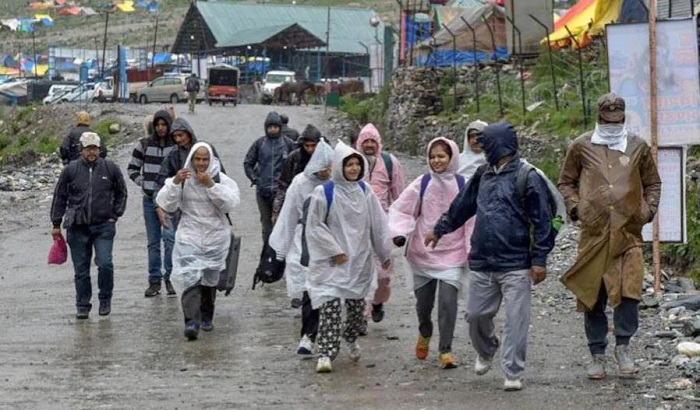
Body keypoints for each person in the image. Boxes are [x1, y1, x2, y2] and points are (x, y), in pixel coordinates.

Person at [425, 121, 556, 391]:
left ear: (499, 145)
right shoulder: (483, 174)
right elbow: (462, 206)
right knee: (475, 316)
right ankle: (487, 349)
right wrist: (439, 229)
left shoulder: (527, 177)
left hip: (517, 263)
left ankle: (513, 371)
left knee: (517, 320)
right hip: (483, 260)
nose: (482, 150)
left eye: (486, 145)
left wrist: (539, 259)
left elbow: (543, 221)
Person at [558, 93, 661, 379]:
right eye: (608, 120)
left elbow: (652, 182)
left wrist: (648, 210)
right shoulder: (581, 146)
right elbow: (566, 181)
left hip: (629, 234)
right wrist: (576, 206)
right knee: (593, 293)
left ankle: (624, 347)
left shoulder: (639, 147)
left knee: (630, 291)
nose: (613, 125)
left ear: (624, 117)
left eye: (618, 120)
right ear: (599, 117)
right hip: (593, 234)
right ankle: (597, 353)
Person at [305, 141, 391, 373]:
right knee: (330, 308)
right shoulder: (324, 192)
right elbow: (314, 226)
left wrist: (384, 253)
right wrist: (335, 250)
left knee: (355, 309)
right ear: (338, 167)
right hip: (332, 262)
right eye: (348, 164)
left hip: (359, 261)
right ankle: (326, 352)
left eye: (356, 164)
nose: (353, 168)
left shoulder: (365, 191)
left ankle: (351, 337)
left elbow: (378, 225)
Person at [388, 137, 471, 369]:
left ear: (452, 157)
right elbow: (401, 209)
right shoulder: (422, 183)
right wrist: (399, 233)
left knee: (447, 302)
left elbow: (471, 220)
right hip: (423, 253)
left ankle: (446, 350)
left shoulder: (464, 185)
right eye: (432, 156)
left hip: (453, 254)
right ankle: (425, 332)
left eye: (441, 156)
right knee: (423, 306)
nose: (436, 160)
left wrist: (471, 248)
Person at [156, 142, 240, 341]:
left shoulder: (222, 180)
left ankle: (207, 314)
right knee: (189, 276)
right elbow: (166, 202)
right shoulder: (183, 179)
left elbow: (231, 203)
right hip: (189, 233)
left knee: (210, 277)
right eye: (197, 159)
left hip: (216, 236)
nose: (201, 163)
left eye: (205, 159)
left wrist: (211, 185)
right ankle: (191, 321)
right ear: (191, 159)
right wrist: (175, 182)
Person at [50, 132, 128, 319]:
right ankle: (82, 305)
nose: (92, 152)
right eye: (88, 148)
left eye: (95, 148)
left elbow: (122, 193)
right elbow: (59, 196)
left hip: (104, 226)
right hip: (77, 226)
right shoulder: (71, 170)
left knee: (105, 263)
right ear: (81, 150)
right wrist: (56, 223)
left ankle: (105, 299)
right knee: (81, 270)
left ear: (99, 149)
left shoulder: (110, 168)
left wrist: (115, 214)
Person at [268, 140, 334, 357]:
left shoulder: (341, 183)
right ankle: (308, 336)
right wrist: (279, 248)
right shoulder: (300, 183)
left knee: (331, 294)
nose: (326, 171)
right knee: (310, 289)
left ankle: (335, 337)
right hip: (306, 243)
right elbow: (289, 216)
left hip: (335, 247)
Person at [355, 123, 405, 328]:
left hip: (384, 226)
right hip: (358, 227)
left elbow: (400, 198)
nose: (368, 145)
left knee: (384, 275)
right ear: (359, 143)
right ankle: (361, 317)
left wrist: (400, 227)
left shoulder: (390, 162)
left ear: (378, 143)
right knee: (361, 272)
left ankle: (377, 302)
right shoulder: (352, 162)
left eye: (372, 141)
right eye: (365, 141)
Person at [127, 110, 178, 297]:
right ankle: (154, 280)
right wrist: (144, 183)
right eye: (158, 125)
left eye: (164, 124)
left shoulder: (175, 147)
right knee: (153, 243)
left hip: (170, 202)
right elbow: (132, 168)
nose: (161, 128)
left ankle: (171, 278)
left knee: (170, 239)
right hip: (149, 200)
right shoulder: (144, 145)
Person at [154, 117, 226, 231]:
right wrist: (159, 206)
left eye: (181, 135)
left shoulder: (205, 149)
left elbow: (221, 178)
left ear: (188, 133)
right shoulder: (174, 154)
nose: (178, 139)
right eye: (175, 136)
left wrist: (212, 186)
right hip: (182, 205)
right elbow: (160, 182)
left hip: (208, 203)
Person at [243, 112, 296, 244]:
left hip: (282, 192)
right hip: (263, 191)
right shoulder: (259, 143)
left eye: (275, 127)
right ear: (266, 127)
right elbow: (248, 163)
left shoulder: (288, 144)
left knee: (282, 223)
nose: (272, 130)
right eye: (270, 127)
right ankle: (267, 253)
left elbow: (297, 163)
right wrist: (255, 179)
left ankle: (281, 253)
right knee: (266, 225)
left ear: (280, 127)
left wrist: (292, 182)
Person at [271, 124, 323, 224]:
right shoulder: (294, 158)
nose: (310, 149)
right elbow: (283, 184)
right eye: (307, 146)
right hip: (297, 202)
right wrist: (276, 211)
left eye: (313, 145)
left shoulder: (326, 158)